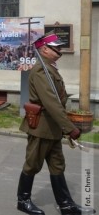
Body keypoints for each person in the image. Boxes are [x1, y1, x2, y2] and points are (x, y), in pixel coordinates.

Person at [16, 34, 96, 215]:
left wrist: (63, 126)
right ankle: (23, 200)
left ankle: (66, 205)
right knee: (32, 164)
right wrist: (69, 127)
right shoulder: (41, 71)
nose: (59, 50)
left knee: (57, 165)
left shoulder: (50, 68)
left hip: (53, 128)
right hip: (42, 127)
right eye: (56, 47)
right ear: (44, 49)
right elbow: (51, 102)